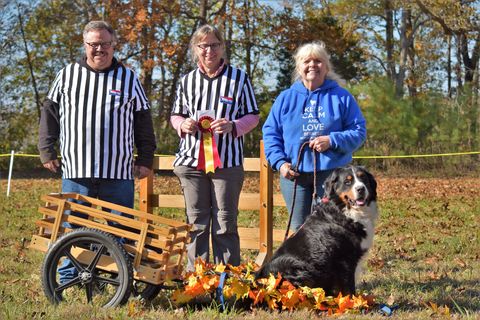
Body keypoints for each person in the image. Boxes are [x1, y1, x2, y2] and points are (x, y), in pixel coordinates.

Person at [38, 20, 156, 282]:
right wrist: (47, 150)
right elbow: (49, 113)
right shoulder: (67, 74)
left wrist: (146, 158)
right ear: (85, 45)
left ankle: (114, 278)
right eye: (94, 44)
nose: (99, 49)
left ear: (114, 46)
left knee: (120, 230)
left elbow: (143, 121)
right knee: (74, 226)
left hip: (118, 171)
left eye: (105, 44)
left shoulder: (129, 78)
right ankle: (69, 277)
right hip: (76, 169)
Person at [170, 24, 259, 270]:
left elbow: (253, 115)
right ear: (196, 49)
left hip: (227, 163)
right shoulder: (186, 81)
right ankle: (196, 280)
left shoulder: (239, 78)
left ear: (222, 47)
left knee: (225, 221)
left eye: (214, 45)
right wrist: (183, 124)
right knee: (196, 222)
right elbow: (175, 115)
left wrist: (233, 125)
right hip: (191, 163)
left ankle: (227, 281)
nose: (209, 50)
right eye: (203, 46)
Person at [262, 41, 366, 232]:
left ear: (326, 67)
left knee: (332, 227)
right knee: (300, 229)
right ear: (299, 66)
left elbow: (359, 131)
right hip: (294, 174)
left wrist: (332, 140)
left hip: (333, 175)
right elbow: (270, 133)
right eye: (306, 61)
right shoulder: (286, 98)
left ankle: (334, 263)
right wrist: (280, 163)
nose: (312, 65)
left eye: (318, 61)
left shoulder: (342, 97)